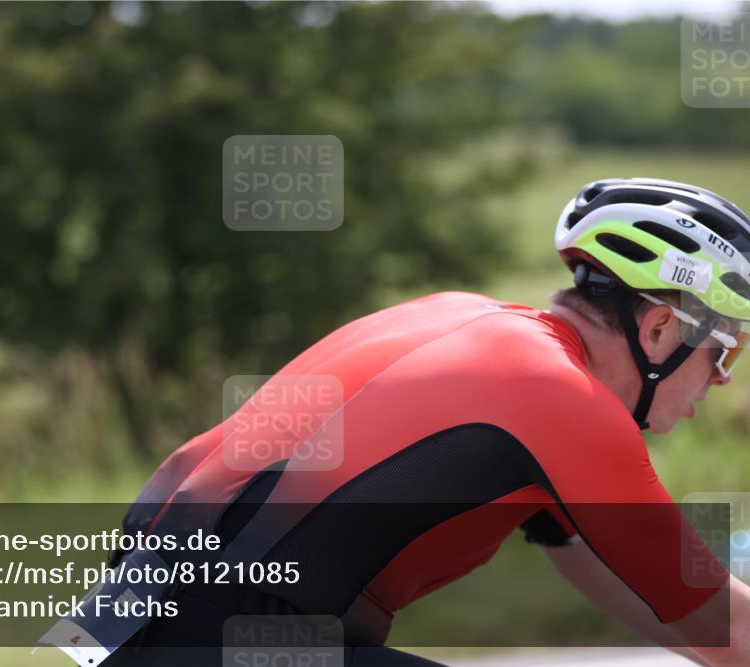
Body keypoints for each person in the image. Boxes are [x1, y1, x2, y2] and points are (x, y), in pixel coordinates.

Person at [53, 178, 750, 666]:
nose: (720, 382)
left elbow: (661, 602)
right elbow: (726, 621)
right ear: (661, 327)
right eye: (722, 353)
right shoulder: (566, 401)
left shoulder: (460, 318)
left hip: (136, 618)